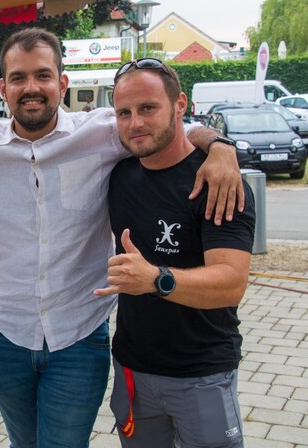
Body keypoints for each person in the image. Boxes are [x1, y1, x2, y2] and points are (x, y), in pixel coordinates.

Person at [0, 28, 244, 447]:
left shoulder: (103, 132)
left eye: (42, 75)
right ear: (3, 88)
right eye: (18, 78)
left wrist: (222, 148)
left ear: (62, 82)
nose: (31, 88)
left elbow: (168, 125)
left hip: (78, 336)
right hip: (2, 335)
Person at [94, 59, 255, 447]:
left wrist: (155, 279)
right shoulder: (119, 173)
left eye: (148, 108)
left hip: (201, 373)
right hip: (133, 368)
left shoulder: (217, 181)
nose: (135, 123)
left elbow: (231, 283)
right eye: (124, 113)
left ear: (180, 105)